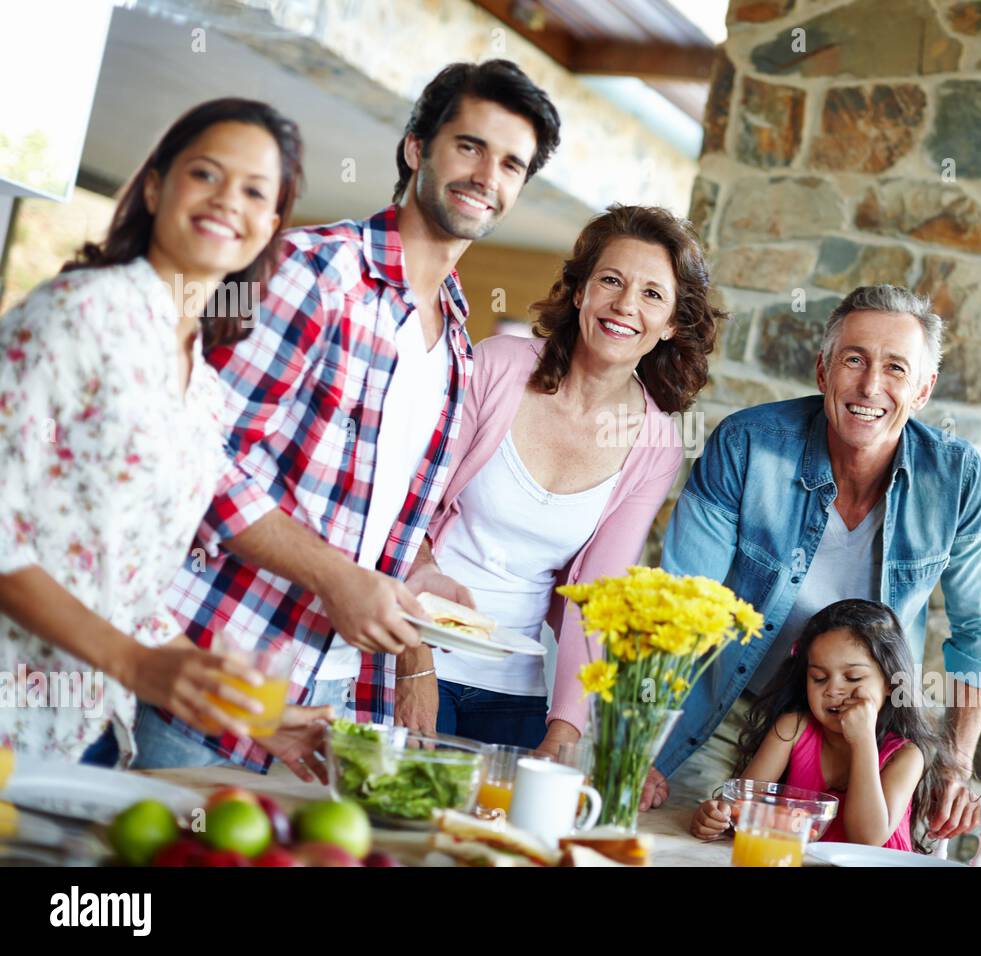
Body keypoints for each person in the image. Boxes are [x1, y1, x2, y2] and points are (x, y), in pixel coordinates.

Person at [132, 60, 561, 779]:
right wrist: (336, 578)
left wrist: (419, 575)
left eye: (512, 164)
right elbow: (197, 464)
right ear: (415, 148)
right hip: (212, 664)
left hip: (336, 701)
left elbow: (375, 511)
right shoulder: (311, 271)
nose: (488, 174)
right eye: (470, 147)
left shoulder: (458, 340)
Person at [0, 98, 316, 767]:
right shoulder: (75, 313)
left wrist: (256, 715)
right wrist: (134, 664)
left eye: (256, 190)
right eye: (205, 173)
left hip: (82, 733)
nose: (228, 199)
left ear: (270, 227)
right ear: (154, 185)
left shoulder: (203, 389)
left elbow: (128, 590)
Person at [646, 284, 981, 844]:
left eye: (896, 368)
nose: (871, 386)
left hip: (861, 739)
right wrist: (649, 736)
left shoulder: (956, 478)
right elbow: (682, 601)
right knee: (688, 849)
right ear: (823, 371)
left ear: (923, 390)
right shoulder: (746, 445)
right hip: (727, 715)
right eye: (854, 360)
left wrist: (956, 764)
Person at [422, 205, 721, 752]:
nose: (625, 305)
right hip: (412, 653)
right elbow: (408, 504)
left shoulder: (656, 445)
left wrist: (565, 730)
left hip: (513, 692)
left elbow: (596, 595)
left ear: (673, 322)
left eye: (653, 294)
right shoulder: (497, 366)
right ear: (579, 291)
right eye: (610, 280)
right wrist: (411, 661)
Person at [691, 600, 960, 850]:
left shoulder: (907, 754)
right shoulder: (792, 730)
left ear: (891, 682)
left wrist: (863, 740)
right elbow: (739, 810)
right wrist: (715, 817)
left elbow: (867, 840)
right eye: (819, 678)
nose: (833, 689)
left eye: (853, 677)